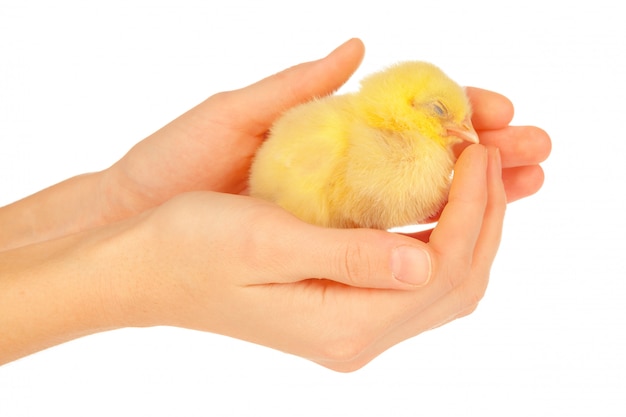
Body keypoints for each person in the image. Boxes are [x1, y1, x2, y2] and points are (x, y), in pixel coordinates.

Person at [0, 39, 550, 372]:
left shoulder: (376, 132)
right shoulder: (347, 136)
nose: (460, 129)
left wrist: (113, 207)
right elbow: (296, 174)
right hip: (292, 196)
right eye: (442, 113)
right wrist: (145, 267)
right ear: (405, 106)